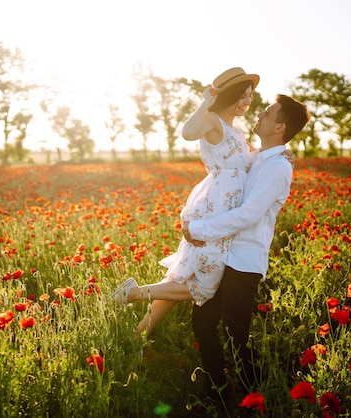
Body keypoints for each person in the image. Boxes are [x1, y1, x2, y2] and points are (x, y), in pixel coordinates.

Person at [110, 67, 260, 338]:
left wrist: (280, 154)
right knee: (203, 286)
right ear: (230, 96)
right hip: (215, 208)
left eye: (250, 95)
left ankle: (138, 336)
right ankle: (131, 293)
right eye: (243, 95)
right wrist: (206, 102)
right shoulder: (212, 120)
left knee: (182, 277)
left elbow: (256, 157)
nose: (248, 101)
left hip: (229, 208)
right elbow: (188, 133)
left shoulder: (237, 131)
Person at [184, 93, 310, 400]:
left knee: (234, 333)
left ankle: (258, 393)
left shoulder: (277, 167)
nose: (259, 114)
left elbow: (248, 214)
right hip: (224, 254)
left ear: (280, 126)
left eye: (267, 113)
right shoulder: (259, 158)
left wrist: (198, 229)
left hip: (244, 260)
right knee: (202, 321)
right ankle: (217, 389)